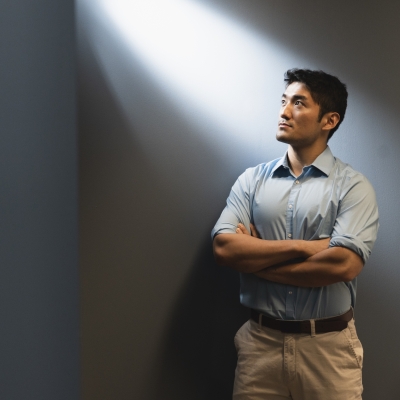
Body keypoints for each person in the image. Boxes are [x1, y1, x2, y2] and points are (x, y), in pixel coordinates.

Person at [212, 69, 379, 400]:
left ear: (328, 120)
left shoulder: (353, 187)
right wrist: (307, 247)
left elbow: (342, 265)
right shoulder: (251, 181)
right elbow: (224, 248)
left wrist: (257, 260)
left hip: (328, 350)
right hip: (260, 346)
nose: (284, 111)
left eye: (299, 103)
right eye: (284, 101)